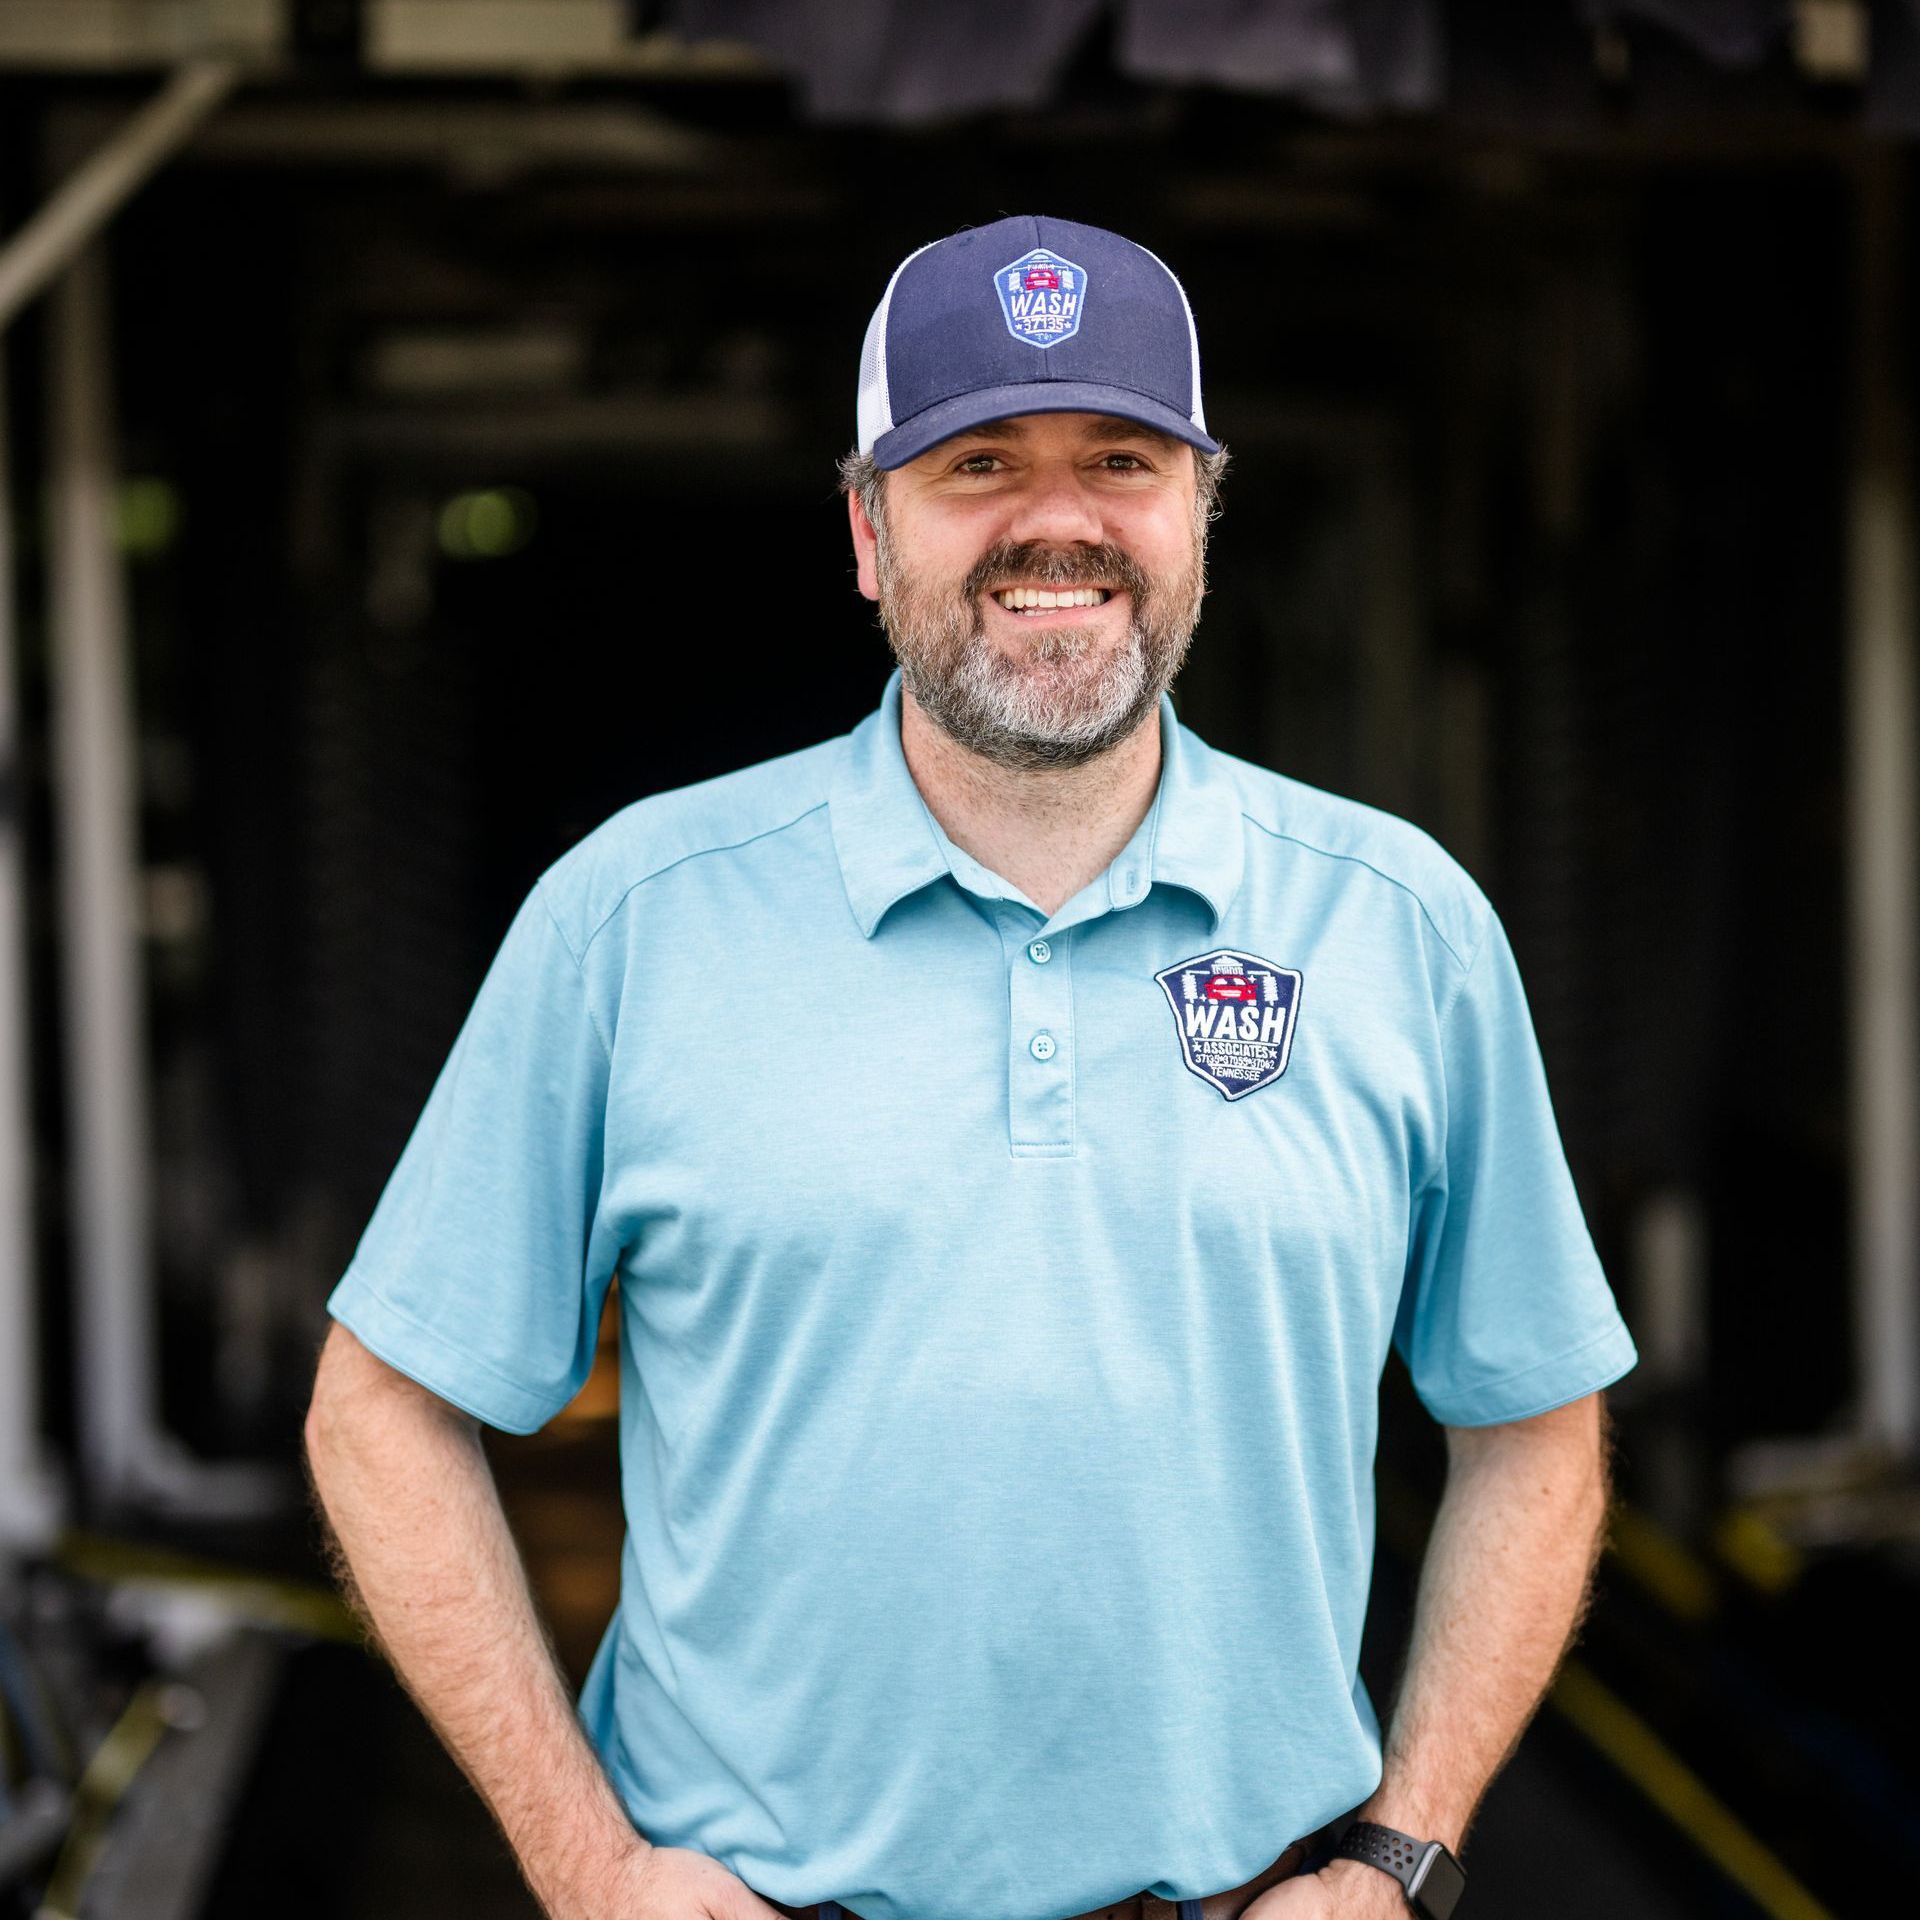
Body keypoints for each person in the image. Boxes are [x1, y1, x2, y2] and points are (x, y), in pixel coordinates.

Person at [304, 214, 1638, 1920]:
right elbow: (384, 1407)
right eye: (977, 462)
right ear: (869, 531)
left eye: (1122, 459)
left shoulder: (1401, 928)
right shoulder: (635, 919)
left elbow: (1535, 1417)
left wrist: (1400, 1855)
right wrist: (587, 1871)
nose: (1057, 519)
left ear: (1202, 518)